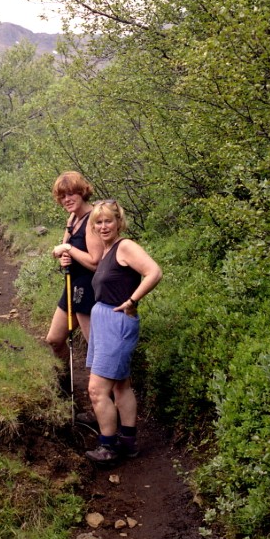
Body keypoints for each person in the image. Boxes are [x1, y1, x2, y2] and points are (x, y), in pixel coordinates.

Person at [84, 199, 162, 463]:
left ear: (119, 222)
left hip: (117, 322)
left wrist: (132, 300)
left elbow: (154, 272)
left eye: (108, 220)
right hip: (104, 320)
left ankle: (108, 447)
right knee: (121, 385)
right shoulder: (107, 251)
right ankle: (128, 442)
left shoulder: (125, 246)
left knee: (97, 390)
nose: (103, 226)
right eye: (98, 222)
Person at [47, 172, 104, 392]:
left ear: (82, 192)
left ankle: (101, 394)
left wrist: (68, 249)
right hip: (72, 284)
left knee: (94, 347)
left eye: (71, 194)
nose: (67, 199)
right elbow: (64, 250)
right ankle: (65, 385)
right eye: (62, 196)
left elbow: (95, 262)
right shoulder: (72, 219)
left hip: (88, 288)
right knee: (54, 339)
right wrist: (64, 256)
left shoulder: (92, 220)